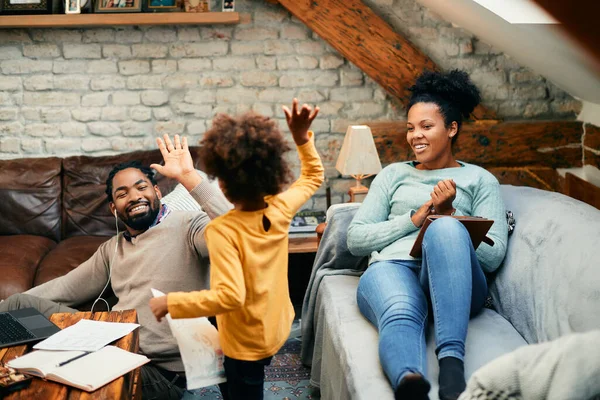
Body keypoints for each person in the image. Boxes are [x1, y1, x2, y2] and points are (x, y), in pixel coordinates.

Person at [0, 134, 232, 400]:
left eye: (141, 187)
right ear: (113, 208)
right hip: (107, 343)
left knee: (50, 388)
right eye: (122, 194)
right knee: (19, 303)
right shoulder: (114, 247)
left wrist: (189, 176)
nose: (133, 197)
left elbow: (237, 235)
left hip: (155, 371)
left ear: (157, 192)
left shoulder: (191, 226)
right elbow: (64, 288)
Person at [346, 70, 508, 400]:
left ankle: (451, 368)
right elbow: (356, 239)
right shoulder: (393, 175)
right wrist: (415, 218)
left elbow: (493, 258)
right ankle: (409, 380)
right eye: (410, 128)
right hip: (393, 268)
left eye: (426, 126)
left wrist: (448, 216)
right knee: (399, 311)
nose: (415, 136)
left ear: (451, 128)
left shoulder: (480, 180)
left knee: (445, 228)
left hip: (457, 279)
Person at [149, 99, 324, 400]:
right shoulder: (280, 208)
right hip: (274, 325)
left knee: (244, 388)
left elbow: (229, 296)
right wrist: (301, 139)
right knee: (243, 381)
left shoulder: (221, 230)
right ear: (274, 174)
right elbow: (312, 176)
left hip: (244, 342)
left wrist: (171, 303)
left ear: (225, 186)